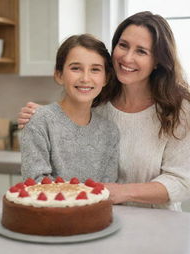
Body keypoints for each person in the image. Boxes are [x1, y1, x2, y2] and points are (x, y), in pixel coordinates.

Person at [18, 11, 190, 211]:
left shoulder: (177, 109)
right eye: (123, 45)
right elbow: (71, 118)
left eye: (141, 51)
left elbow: (182, 184)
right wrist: (46, 116)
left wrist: (122, 191)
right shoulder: (99, 99)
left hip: (156, 223)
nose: (127, 57)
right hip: (105, 218)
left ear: (157, 60)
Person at [21, 34, 120, 183]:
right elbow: (36, 181)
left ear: (106, 78)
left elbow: (108, 188)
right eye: (76, 68)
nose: (85, 78)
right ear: (59, 74)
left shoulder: (110, 131)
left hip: (96, 207)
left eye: (95, 69)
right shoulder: (39, 121)